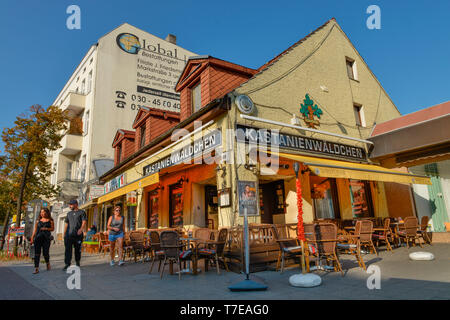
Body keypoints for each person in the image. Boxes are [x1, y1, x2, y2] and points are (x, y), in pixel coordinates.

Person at [63, 199, 87, 271]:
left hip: (78, 235)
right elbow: (66, 223)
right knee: (68, 250)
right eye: (69, 204)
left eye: (71, 204)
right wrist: (64, 233)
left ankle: (77, 261)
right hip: (69, 235)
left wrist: (81, 229)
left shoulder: (82, 212)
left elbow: (84, 221)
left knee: (77, 249)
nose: (70, 206)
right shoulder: (69, 214)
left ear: (76, 204)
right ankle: (67, 264)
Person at [30, 208, 54, 274]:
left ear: (47, 213)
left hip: (46, 238)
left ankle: (47, 263)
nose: (42, 213)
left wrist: (46, 228)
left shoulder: (50, 220)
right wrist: (32, 237)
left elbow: (52, 229)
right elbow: (35, 230)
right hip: (38, 238)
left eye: (43, 212)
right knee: (37, 253)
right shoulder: (38, 221)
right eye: (41, 212)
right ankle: (36, 268)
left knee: (45, 253)